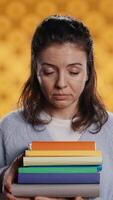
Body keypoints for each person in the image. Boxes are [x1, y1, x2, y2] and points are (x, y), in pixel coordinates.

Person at [0, 14, 113, 200]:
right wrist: (5, 183)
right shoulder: (8, 127)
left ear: (88, 72)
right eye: (49, 72)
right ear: (35, 70)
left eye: (73, 71)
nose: (61, 83)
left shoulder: (111, 129)